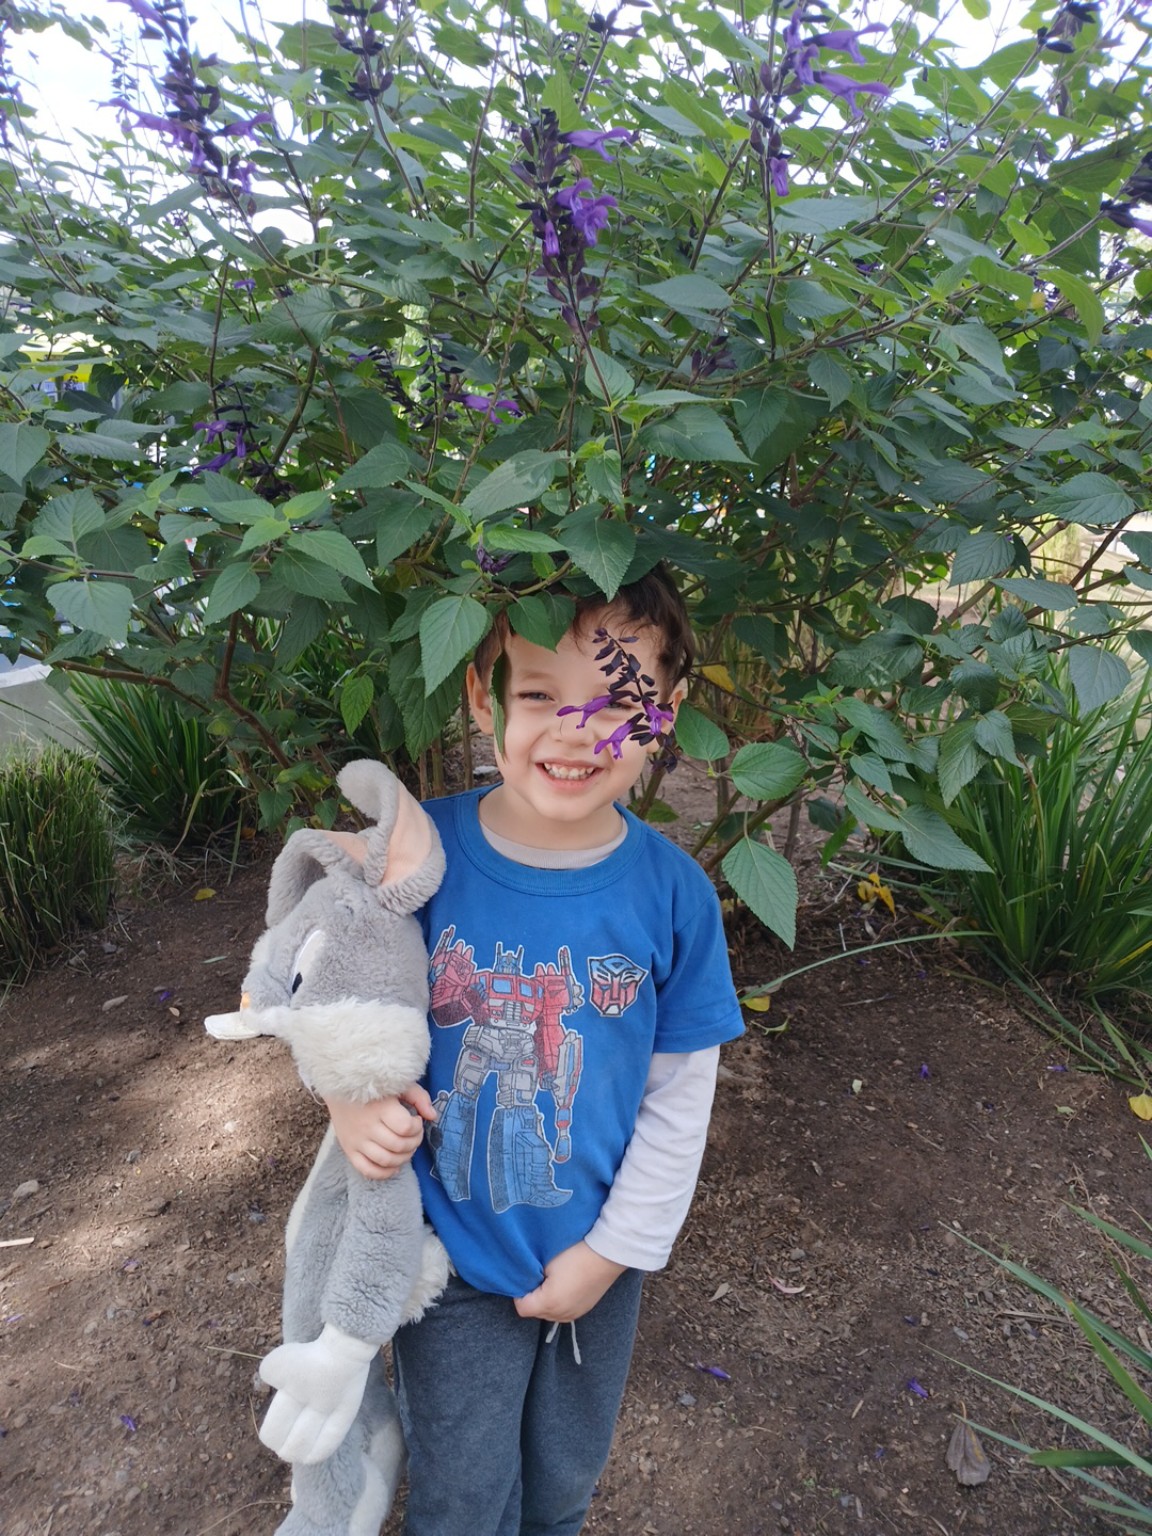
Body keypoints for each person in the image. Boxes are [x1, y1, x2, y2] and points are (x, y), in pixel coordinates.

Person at [324, 565, 745, 1536]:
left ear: (666, 713)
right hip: (448, 1258)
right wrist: (349, 1097)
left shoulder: (673, 895)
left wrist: (611, 1255)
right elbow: (325, 983)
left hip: (598, 1259)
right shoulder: (418, 856)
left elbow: (678, 1100)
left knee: (561, 1489)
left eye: (618, 702)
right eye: (541, 696)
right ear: (483, 697)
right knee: (463, 1498)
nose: (576, 731)